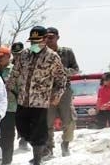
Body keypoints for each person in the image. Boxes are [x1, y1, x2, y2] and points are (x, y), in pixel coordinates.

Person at [6, 26, 66, 165]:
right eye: (32, 41)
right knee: (21, 127)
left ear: (45, 40)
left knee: (38, 131)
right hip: (23, 99)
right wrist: (8, 88)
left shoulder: (52, 57)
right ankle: (37, 146)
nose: (34, 44)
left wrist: (57, 95)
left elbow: (61, 79)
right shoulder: (24, 55)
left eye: (37, 41)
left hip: (40, 101)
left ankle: (37, 159)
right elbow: (15, 73)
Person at [45, 27, 80, 157]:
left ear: (57, 37)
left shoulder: (66, 52)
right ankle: (49, 148)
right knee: (47, 121)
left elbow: (76, 69)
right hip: (48, 91)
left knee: (69, 119)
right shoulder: (42, 54)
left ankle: (65, 144)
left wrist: (62, 70)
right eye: (46, 37)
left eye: (51, 37)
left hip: (64, 89)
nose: (48, 40)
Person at [0, 46, 17, 165]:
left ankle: (7, 159)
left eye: (1, 56)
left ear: (8, 56)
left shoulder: (15, 70)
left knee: (7, 134)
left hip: (11, 107)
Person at [11, 42, 30, 152]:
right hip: (14, 98)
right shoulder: (11, 67)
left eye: (19, 54)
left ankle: (24, 140)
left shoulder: (30, 64)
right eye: (15, 54)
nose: (17, 56)